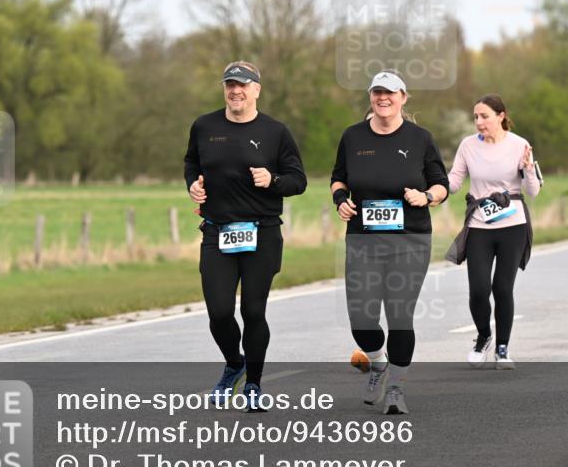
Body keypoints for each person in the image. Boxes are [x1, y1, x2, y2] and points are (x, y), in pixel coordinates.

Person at [184, 61, 307, 411]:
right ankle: (234, 363)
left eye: (243, 84)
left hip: (262, 232)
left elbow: (298, 180)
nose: (235, 90)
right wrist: (192, 184)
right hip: (217, 231)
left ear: (257, 89)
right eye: (229, 84)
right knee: (219, 313)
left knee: (253, 310)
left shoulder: (275, 132)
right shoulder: (204, 126)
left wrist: (273, 180)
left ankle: (253, 383)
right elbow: (191, 163)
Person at [331, 70, 449, 415]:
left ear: (403, 97)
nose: (384, 98)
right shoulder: (352, 137)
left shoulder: (420, 138)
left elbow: (441, 183)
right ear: (371, 97)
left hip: (410, 239)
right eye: (377, 92)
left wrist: (425, 196)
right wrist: (341, 200)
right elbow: (339, 178)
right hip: (363, 239)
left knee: (399, 314)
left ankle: (396, 388)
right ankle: (378, 363)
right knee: (361, 319)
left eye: (390, 93)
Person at [445, 94, 541, 369]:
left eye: (484, 116)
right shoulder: (467, 146)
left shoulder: (519, 144)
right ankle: (484, 336)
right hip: (479, 225)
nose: (478, 122)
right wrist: (431, 186)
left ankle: (502, 349)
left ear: (501, 116)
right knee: (478, 289)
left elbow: (532, 192)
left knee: (502, 288)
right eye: (475, 117)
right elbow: (453, 182)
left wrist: (529, 168)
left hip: (513, 225)